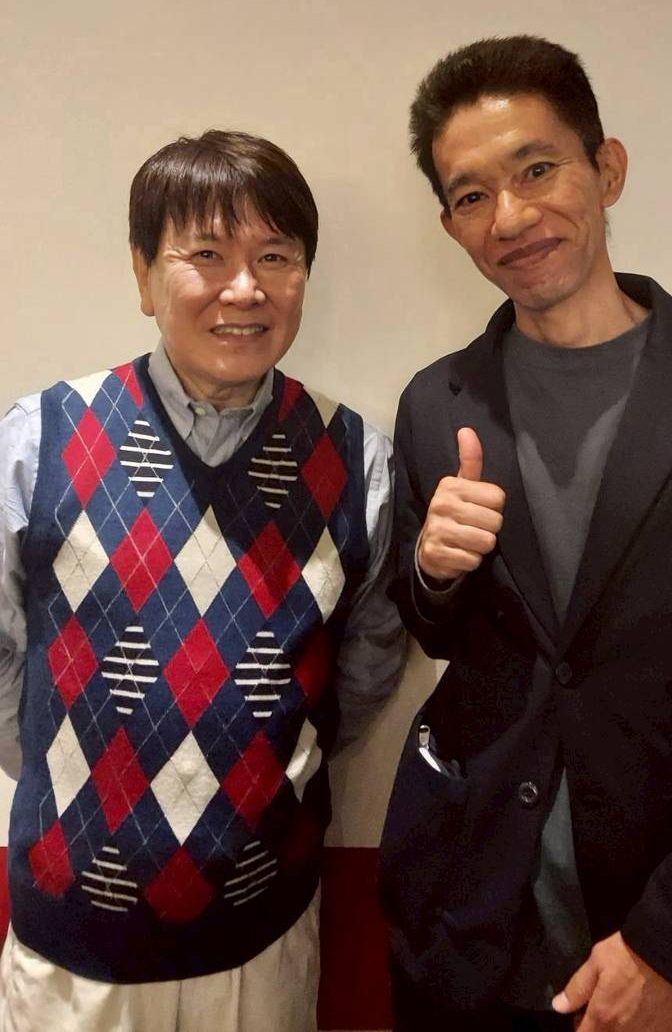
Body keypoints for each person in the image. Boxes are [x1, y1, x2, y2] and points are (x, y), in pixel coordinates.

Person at [379, 35, 672, 1032]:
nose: (509, 217)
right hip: (468, 924)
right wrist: (433, 570)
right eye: (471, 195)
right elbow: (439, 633)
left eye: (537, 169)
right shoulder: (436, 402)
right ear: (451, 224)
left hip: (662, 932)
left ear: (607, 169)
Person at [0, 129, 403, 1032]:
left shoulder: (357, 459)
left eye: (276, 257)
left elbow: (367, 665)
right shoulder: (38, 439)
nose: (245, 288)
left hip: (265, 935)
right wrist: (89, 792)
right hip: (74, 952)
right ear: (143, 275)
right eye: (207, 255)